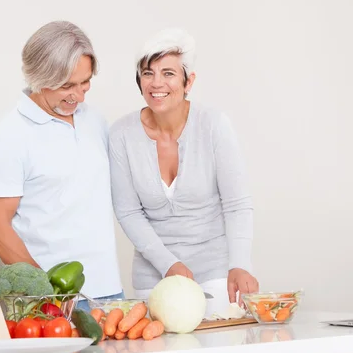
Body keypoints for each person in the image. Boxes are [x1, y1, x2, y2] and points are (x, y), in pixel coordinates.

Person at [108, 28, 258, 316]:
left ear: (188, 81)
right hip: (154, 276)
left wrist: (240, 264)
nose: (156, 83)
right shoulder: (121, 135)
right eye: (148, 73)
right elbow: (128, 212)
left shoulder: (213, 124)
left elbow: (237, 204)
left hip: (216, 272)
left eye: (168, 73)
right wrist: (169, 265)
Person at [0, 20, 124, 311]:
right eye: (67, 86)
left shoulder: (94, 120)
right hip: (54, 300)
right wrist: (49, 295)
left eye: (85, 83)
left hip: (110, 293)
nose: (79, 96)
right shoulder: (9, 136)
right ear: (38, 77)